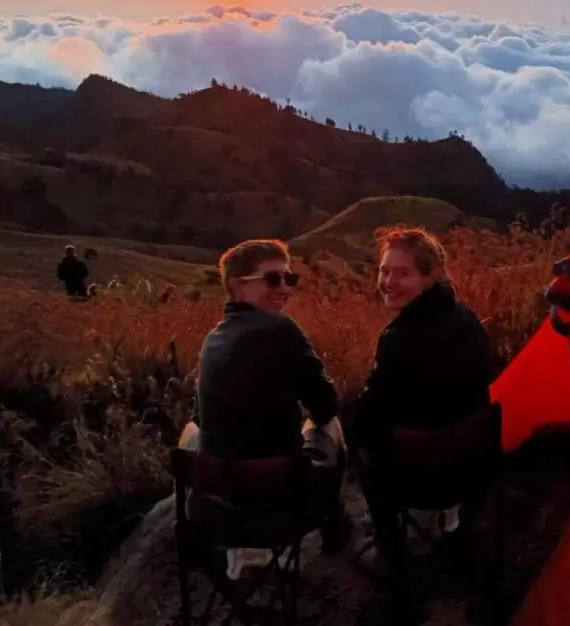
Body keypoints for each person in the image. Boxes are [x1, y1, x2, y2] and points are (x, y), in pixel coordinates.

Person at [190, 238, 352, 556]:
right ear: (237, 287)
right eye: (273, 279)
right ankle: (334, 526)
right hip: (282, 500)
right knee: (330, 426)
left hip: (222, 505)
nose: (285, 289)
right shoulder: (282, 329)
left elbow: (199, 417)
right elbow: (325, 405)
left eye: (289, 279)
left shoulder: (213, 338)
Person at [351, 226, 496, 546]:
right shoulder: (466, 319)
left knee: (358, 442)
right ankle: (454, 519)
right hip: (473, 469)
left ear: (430, 277)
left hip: (419, 481)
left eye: (403, 273)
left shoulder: (398, 339)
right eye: (384, 271)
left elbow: (371, 419)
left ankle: (388, 538)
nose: (389, 282)